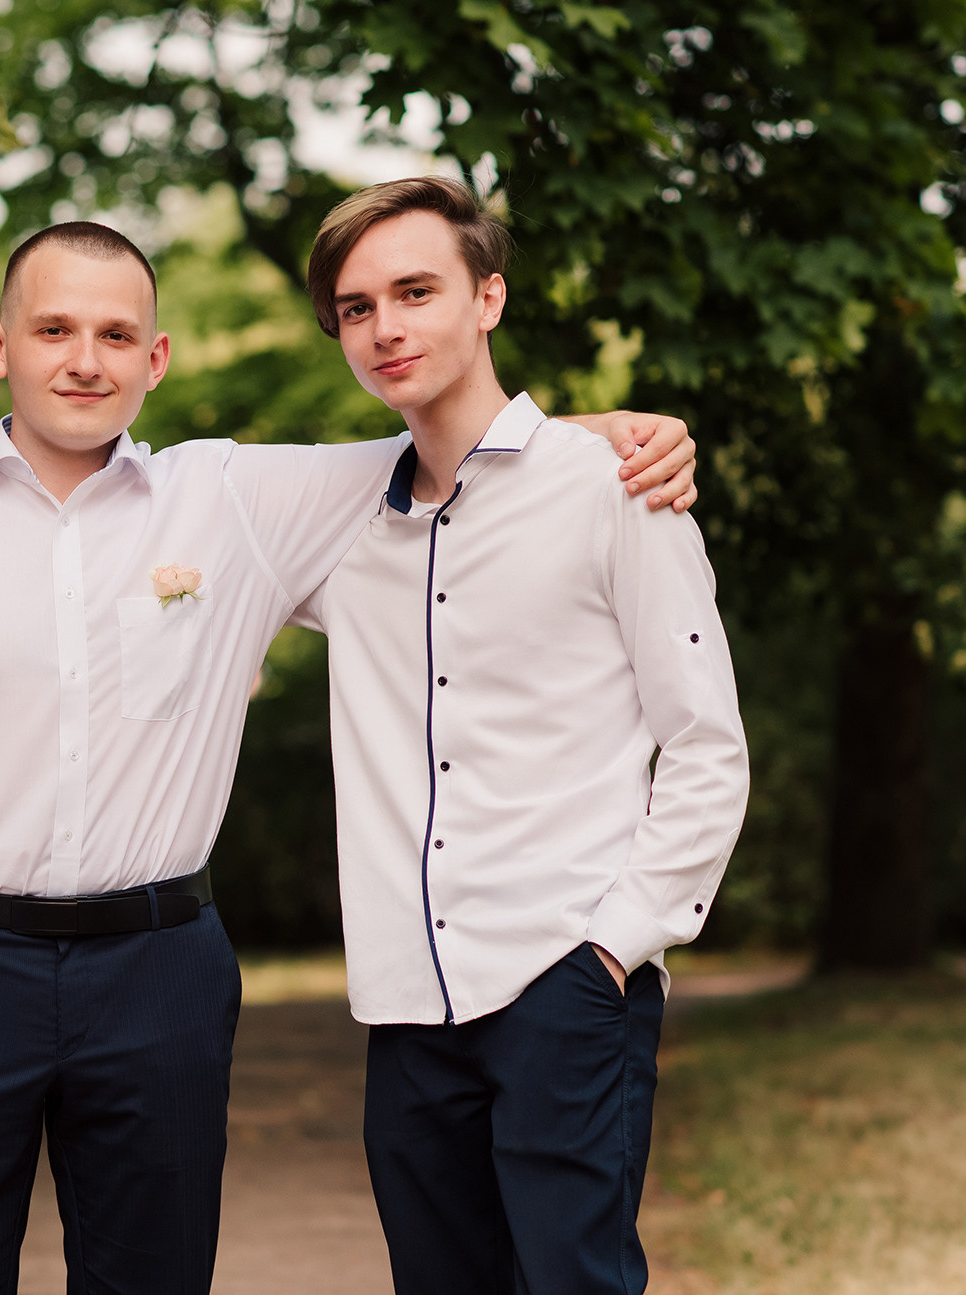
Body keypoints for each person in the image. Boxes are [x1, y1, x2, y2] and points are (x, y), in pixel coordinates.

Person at [0, 220, 697, 1295]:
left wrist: (615, 433)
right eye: (53, 330)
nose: (84, 358)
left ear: (154, 360)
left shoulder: (233, 499)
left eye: (115, 333)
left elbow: (467, 446)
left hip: (157, 968)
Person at [293, 177, 748, 1293]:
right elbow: (146, 497)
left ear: (487, 296)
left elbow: (704, 743)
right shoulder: (332, 519)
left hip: (563, 977)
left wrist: (610, 948)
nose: (385, 327)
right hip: (405, 1004)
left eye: (414, 291)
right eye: (356, 308)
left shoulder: (611, 487)